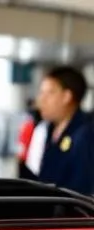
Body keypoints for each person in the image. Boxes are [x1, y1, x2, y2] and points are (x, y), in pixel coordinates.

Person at [36, 65, 94, 194]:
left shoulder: (85, 135)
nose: (41, 100)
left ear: (66, 97)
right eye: (41, 93)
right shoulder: (51, 129)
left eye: (49, 93)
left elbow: (82, 190)